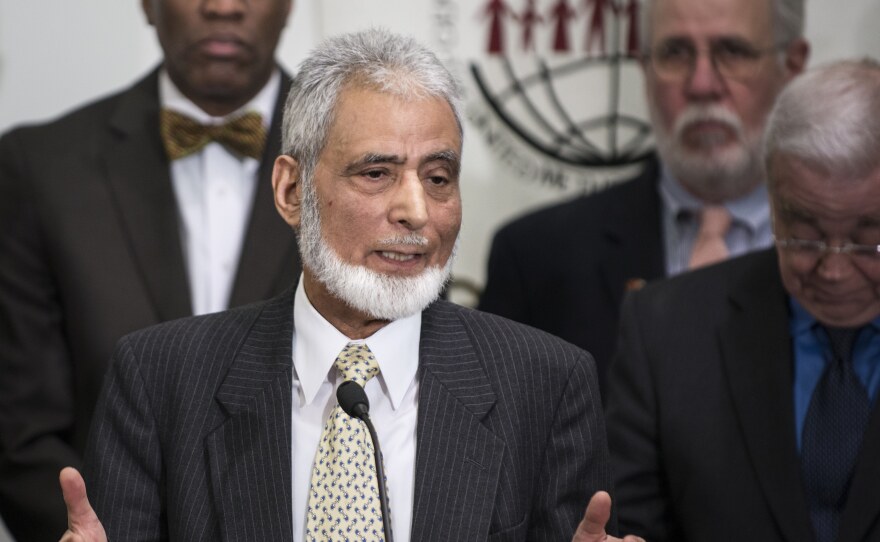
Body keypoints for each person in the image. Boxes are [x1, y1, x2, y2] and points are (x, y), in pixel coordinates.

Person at [55, 29, 644, 542]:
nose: (416, 210)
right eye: (376, 173)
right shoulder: (160, 380)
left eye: (438, 177)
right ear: (291, 192)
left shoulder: (547, 385)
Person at [0, 1, 299, 539]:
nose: (223, 6)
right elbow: (19, 429)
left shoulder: (376, 163)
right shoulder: (39, 166)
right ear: (146, 4)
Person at [606, 58, 880, 541]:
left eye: (869, 241)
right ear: (773, 204)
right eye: (806, 237)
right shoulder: (666, 330)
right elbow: (630, 524)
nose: (835, 271)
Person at [478, 0, 810, 392]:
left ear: (791, 65)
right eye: (674, 53)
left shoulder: (853, 254)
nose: (702, 85)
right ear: (644, 66)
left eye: (732, 52)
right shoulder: (537, 258)